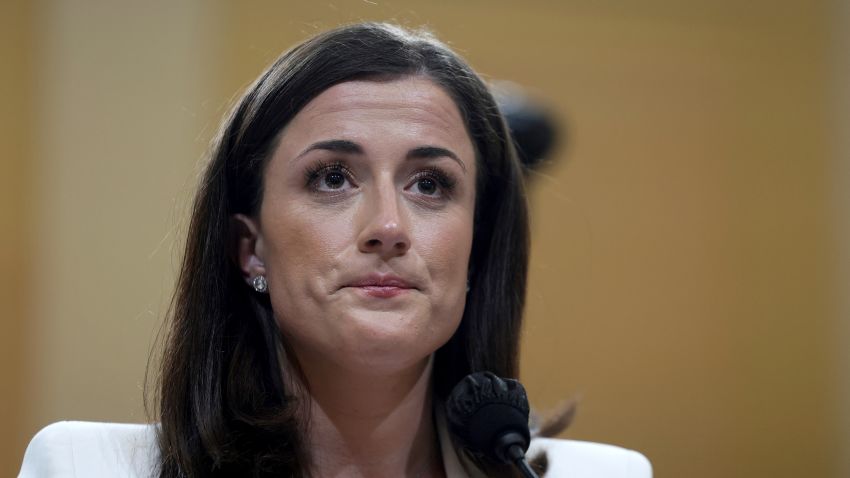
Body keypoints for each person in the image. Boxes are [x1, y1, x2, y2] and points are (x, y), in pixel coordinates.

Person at [19, 23, 651, 477]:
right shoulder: (85, 465)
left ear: (478, 249)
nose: (388, 226)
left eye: (430, 185)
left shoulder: (602, 474)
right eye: (332, 178)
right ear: (250, 247)